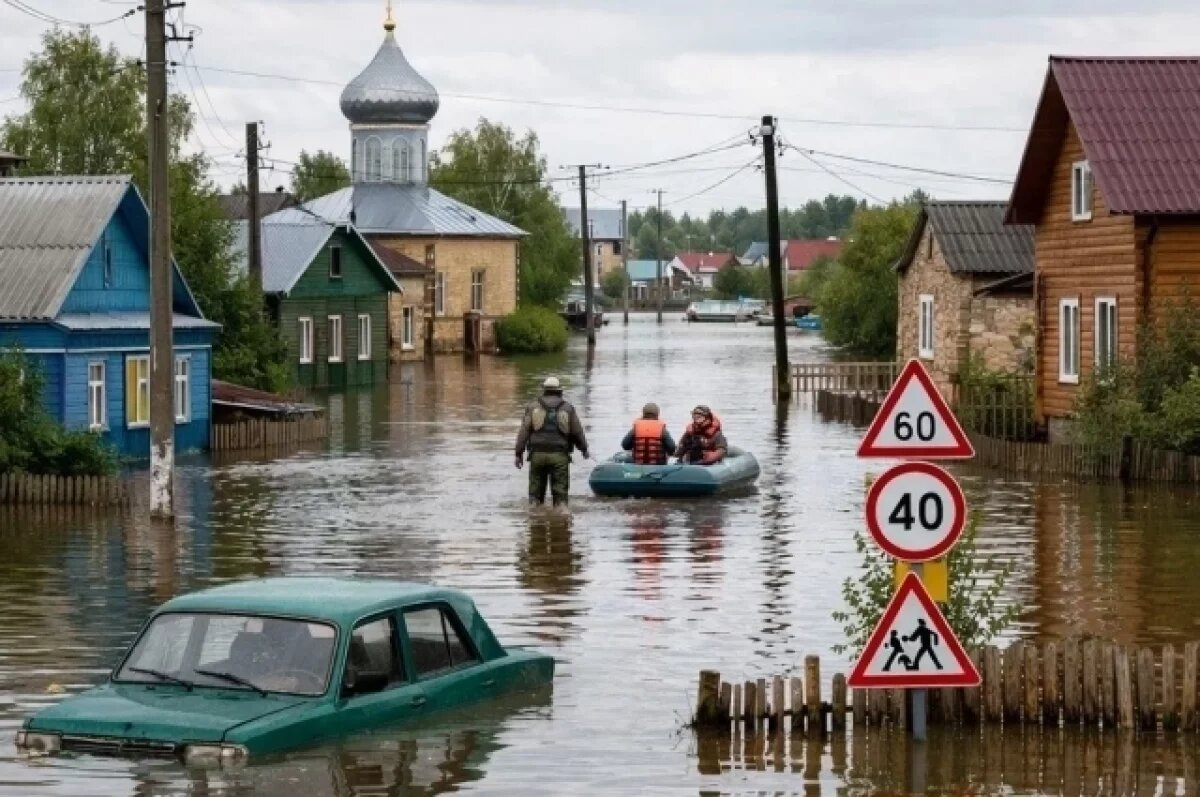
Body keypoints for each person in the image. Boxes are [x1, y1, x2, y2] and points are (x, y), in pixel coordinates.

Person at [514, 377, 589, 506]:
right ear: (559, 391)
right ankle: (561, 521)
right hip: (559, 457)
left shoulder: (532, 407)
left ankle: (535, 521)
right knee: (560, 497)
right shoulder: (568, 408)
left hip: (537, 456)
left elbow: (524, 432)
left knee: (535, 497)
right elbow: (577, 432)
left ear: (544, 390)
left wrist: (518, 453)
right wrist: (584, 449)